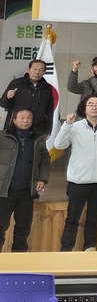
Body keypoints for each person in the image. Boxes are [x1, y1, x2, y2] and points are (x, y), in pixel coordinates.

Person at [54, 95, 97, 251]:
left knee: (94, 218)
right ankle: (66, 250)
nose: (94, 107)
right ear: (84, 108)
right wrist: (67, 124)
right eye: (90, 104)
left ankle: (89, 248)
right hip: (78, 181)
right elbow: (59, 145)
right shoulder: (75, 127)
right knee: (72, 219)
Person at [0, 108, 50, 252]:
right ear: (14, 120)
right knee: (0, 227)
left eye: (29, 118)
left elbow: (45, 159)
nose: (26, 120)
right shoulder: (3, 136)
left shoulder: (38, 139)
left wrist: (42, 178)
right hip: (4, 191)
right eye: (22, 117)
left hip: (26, 192)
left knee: (23, 229)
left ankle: (19, 260)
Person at [0, 60, 54, 136]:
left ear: (44, 72)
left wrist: (47, 130)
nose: (37, 72)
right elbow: (3, 104)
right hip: (15, 128)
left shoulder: (47, 88)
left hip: (37, 129)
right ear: (28, 69)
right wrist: (7, 97)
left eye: (41, 70)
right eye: (34, 69)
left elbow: (49, 111)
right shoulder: (16, 83)